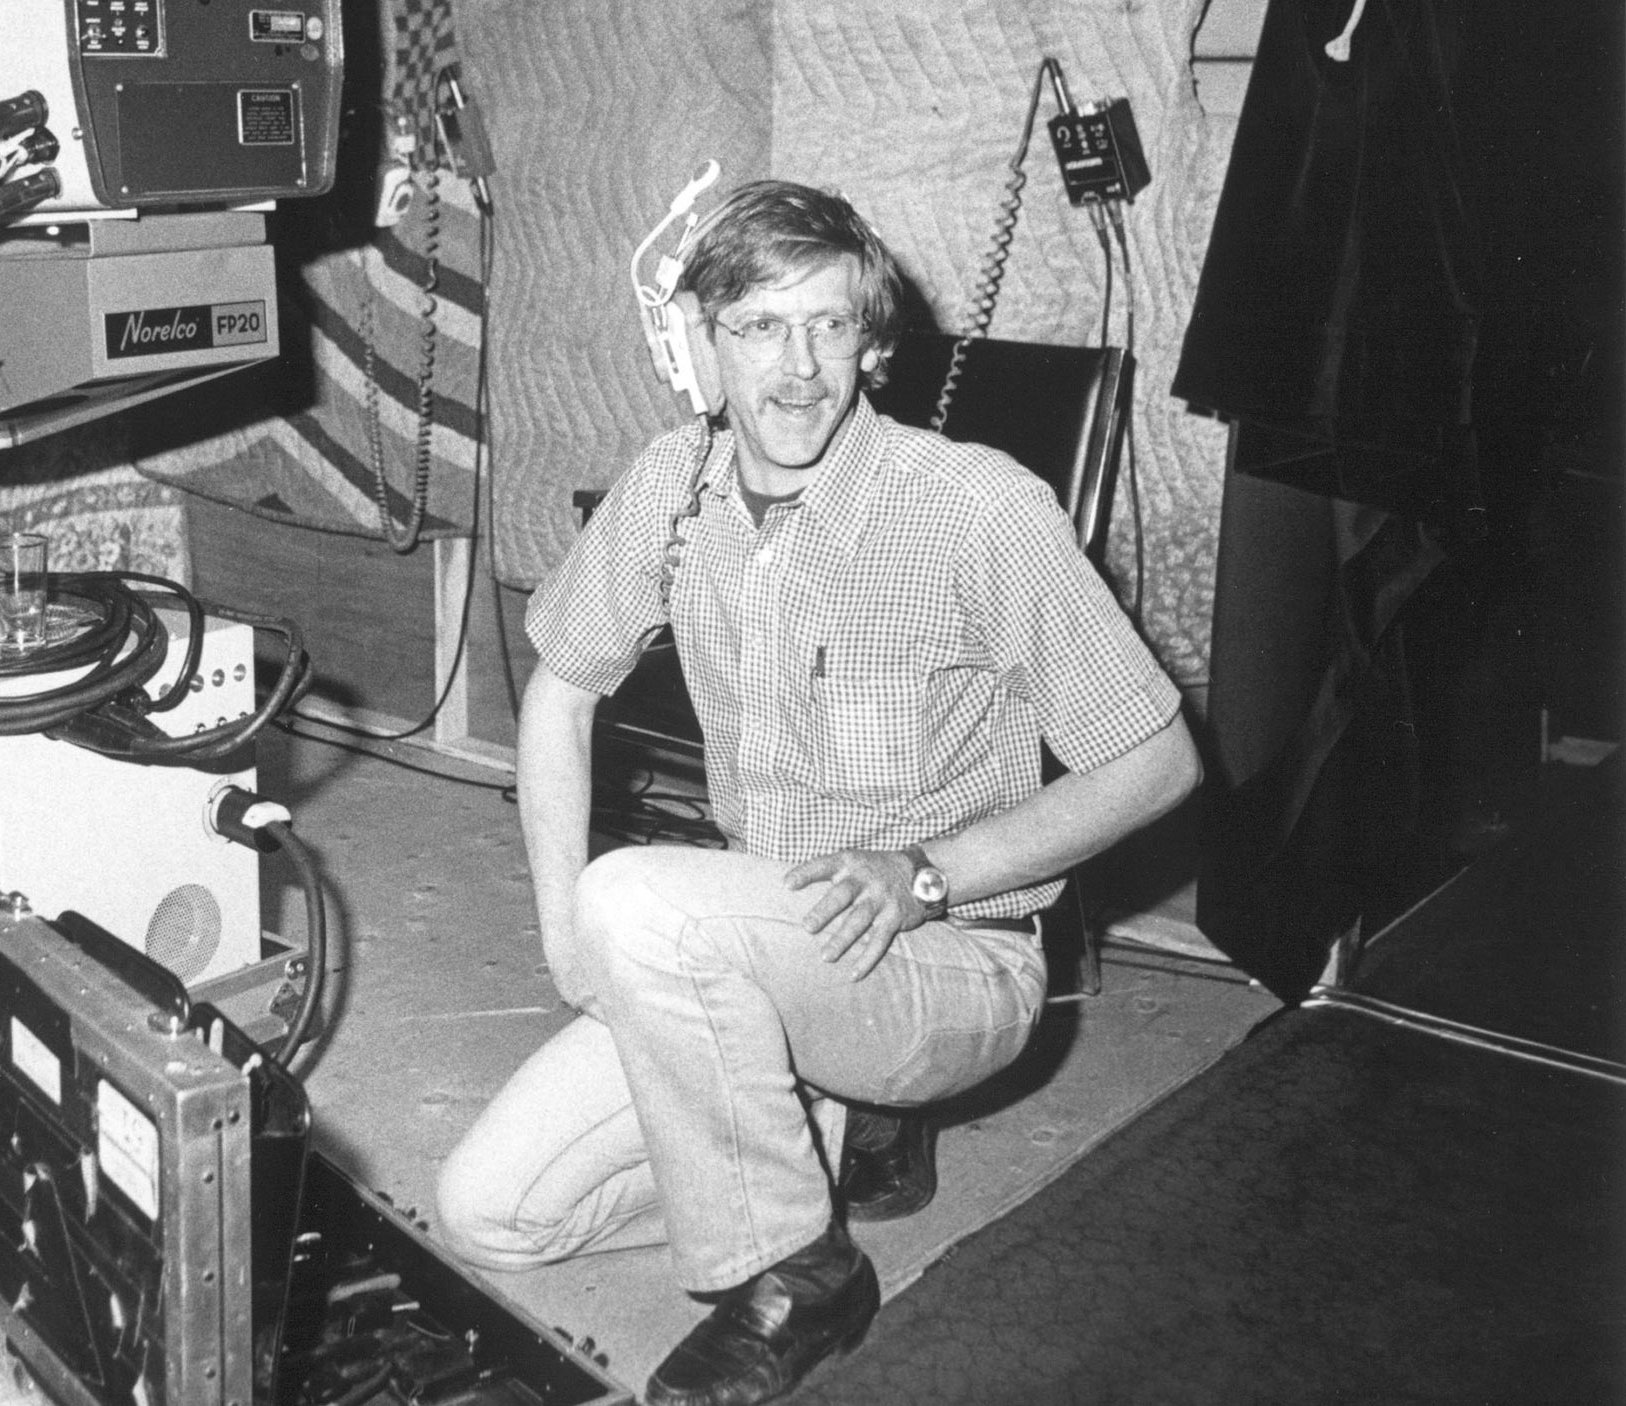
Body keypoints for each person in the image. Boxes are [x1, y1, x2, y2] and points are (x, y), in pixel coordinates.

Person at [433, 180, 1200, 1406]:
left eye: (828, 327)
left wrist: (928, 871)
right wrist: (564, 944)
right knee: (490, 1214)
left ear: (872, 342)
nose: (796, 369)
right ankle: (811, 1140)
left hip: (954, 956)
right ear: (700, 340)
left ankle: (798, 1268)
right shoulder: (668, 487)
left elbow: (1157, 759)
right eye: (757, 327)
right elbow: (559, 693)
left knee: (637, 897)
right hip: (764, 946)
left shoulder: (975, 506)